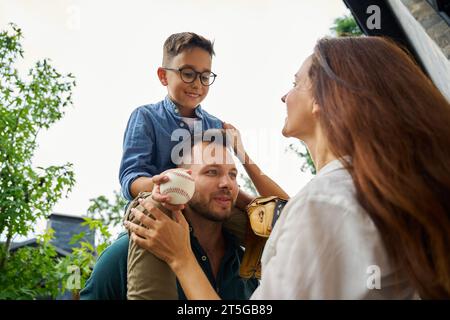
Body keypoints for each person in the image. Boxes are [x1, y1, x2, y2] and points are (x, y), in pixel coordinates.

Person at [125, 36, 450, 299]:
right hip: (163, 198)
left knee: (262, 217)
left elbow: (285, 211)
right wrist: (166, 186)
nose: (283, 96)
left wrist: (184, 256)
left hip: (213, 208)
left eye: (295, 83)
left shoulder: (324, 203)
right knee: (151, 213)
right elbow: (132, 177)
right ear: (164, 75)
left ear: (321, 100)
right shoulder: (147, 117)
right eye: (187, 73)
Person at [81, 132, 260, 299]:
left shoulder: (245, 263)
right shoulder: (130, 250)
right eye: (212, 172)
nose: (227, 183)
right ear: (182, 180)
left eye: (233, 174)